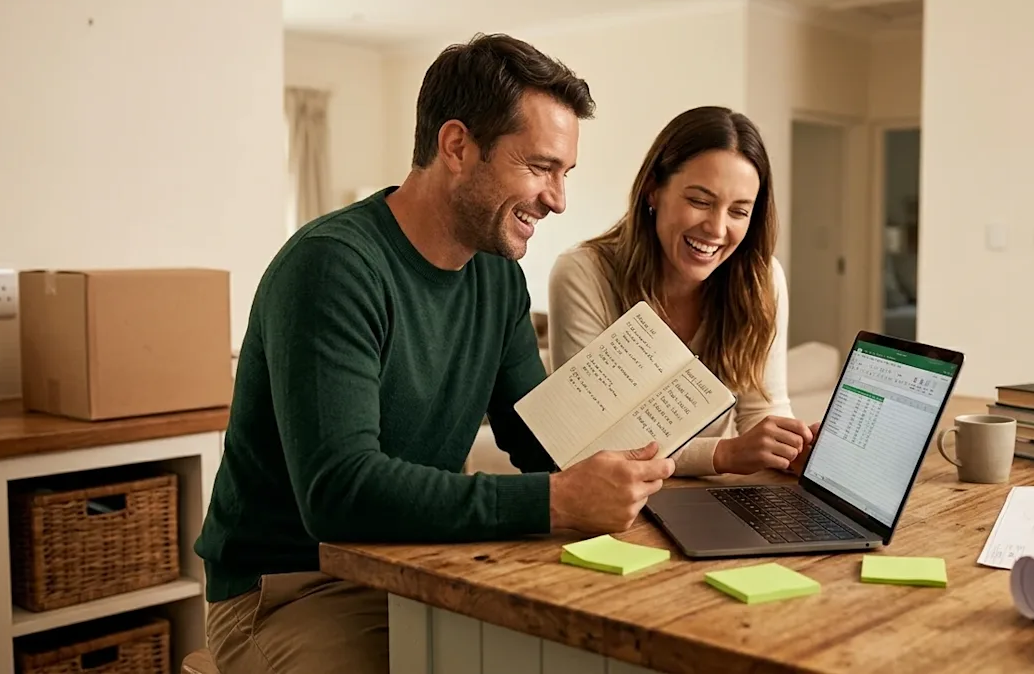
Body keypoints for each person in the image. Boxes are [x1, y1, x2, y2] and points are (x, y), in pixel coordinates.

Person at [194, 33, 676, 674]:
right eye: (539, 167)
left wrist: (653, 459)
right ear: (457, 147)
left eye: (565, 174)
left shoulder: (497, 277)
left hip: (418, 564)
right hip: (291, 590)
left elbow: (540, 438)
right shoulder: (333, 266)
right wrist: (557, 501)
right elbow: (340, 491)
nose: (558, 199)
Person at [548, 106, 816, 478]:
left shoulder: (763, 278)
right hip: (617, 503)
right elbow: (588, 440)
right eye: (700, 201)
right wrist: (722, 454)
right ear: (653, 190)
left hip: (715, 499)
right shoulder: (584, 273)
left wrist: (790, 447)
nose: (717, 228)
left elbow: (761, 410)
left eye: (739, 211)